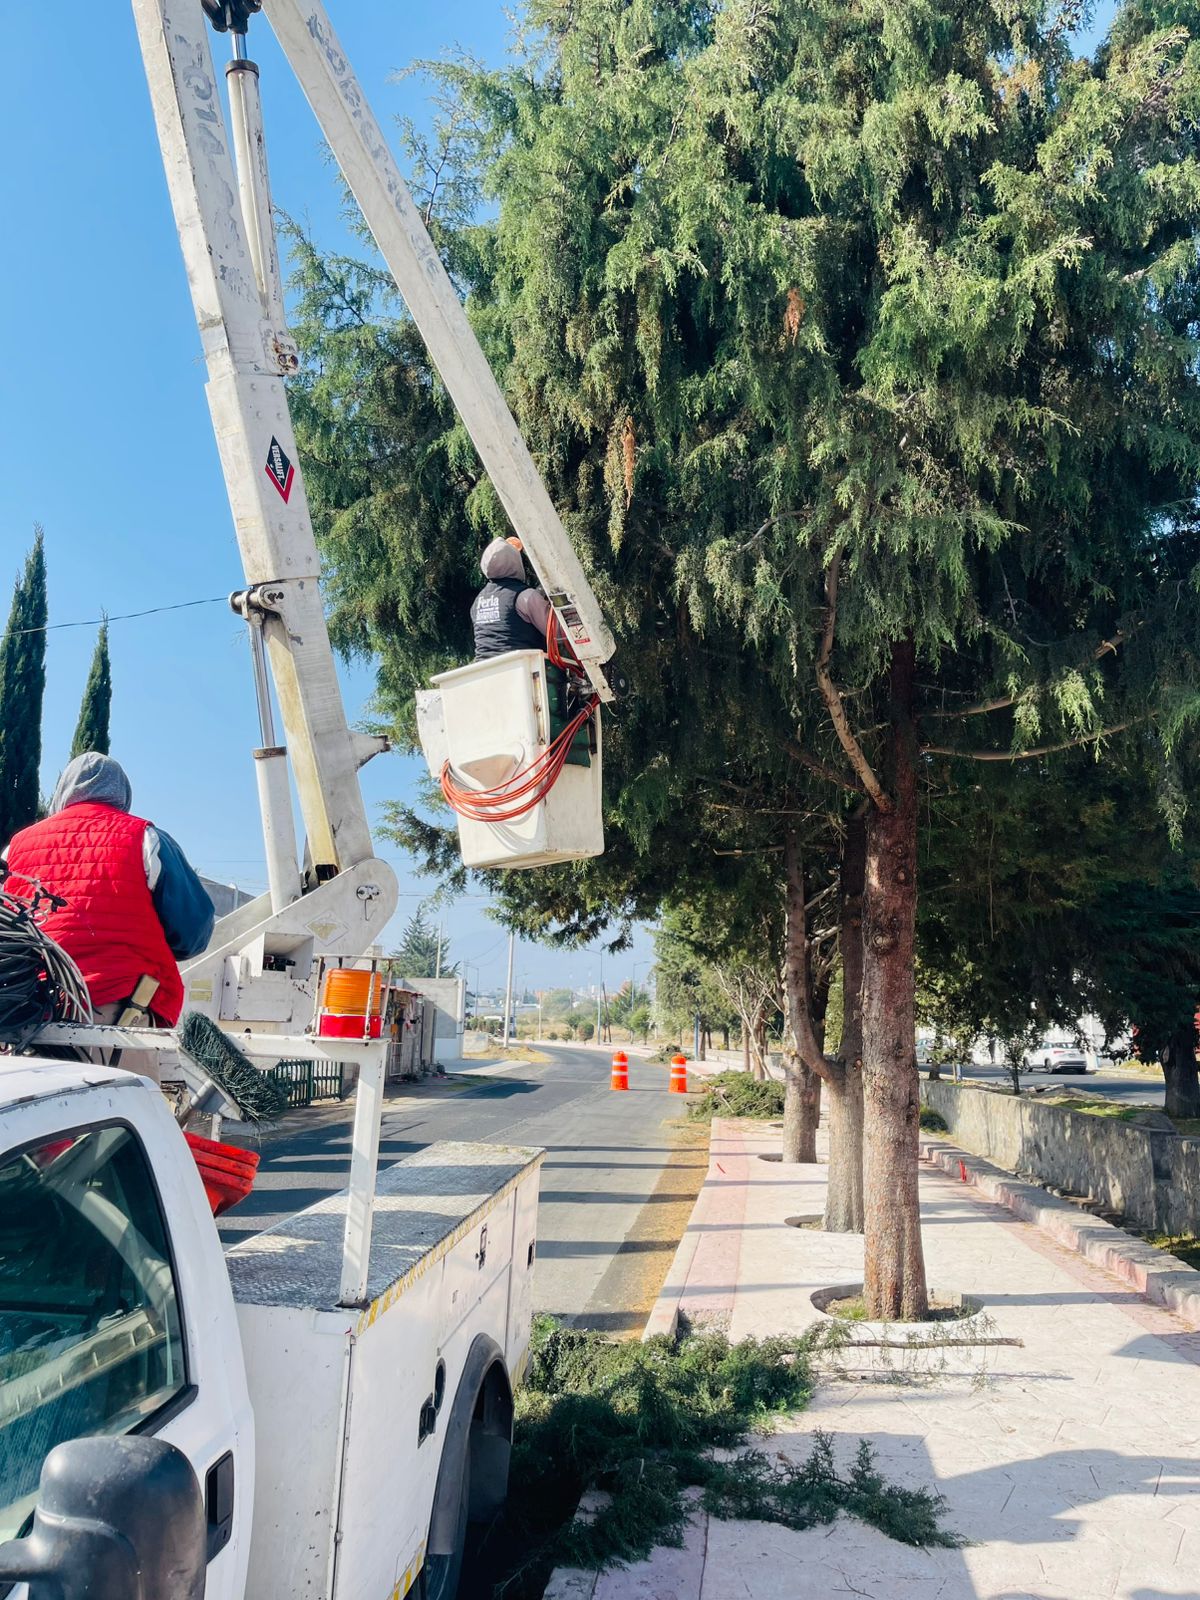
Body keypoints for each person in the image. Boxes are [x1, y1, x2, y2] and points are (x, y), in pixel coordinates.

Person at [3, 752, 214, 1028]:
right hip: (120, 1013)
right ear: (123, 794)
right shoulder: (145, 838)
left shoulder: (15, 847)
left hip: (26, 1014)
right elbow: (193, 932)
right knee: (128, 1074)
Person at [471, 536, 552, 660]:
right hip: (524, 666)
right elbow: (556, 633)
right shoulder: (525, 596)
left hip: (485, 670)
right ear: (515, 561)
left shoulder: (478, 602)